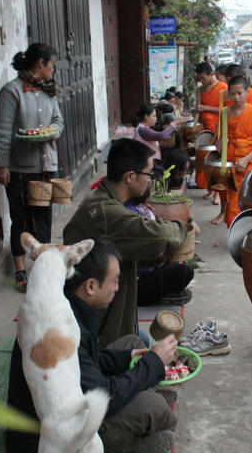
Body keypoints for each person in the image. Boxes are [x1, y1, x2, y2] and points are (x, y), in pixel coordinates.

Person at [5, 238, 180, 453]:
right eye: (114, 281)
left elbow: (88, 360)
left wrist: (132, 359)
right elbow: (101, 396)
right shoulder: (63, 324)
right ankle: (128, 441)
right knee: (158, 409)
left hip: (76, 397)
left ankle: (142, 394)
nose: (117, 288)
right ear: (90, 286)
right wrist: (152, 363)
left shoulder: (65, 306)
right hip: (47, 442)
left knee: (134, 344)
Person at [63, 138, 188, 347]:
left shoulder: (105, 200)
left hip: (109, 313)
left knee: (145, 341)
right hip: (97, 329)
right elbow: (164, 236)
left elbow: (124, 255)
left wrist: (154, 259)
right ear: (130, 177)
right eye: (148, 174)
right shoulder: (107, 212)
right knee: (147, 353)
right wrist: (181, 227)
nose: (150, 181)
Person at [0, 42, 64, 292]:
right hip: (20, 167)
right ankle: (20, 269)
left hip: (45, 166)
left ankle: (42, 268)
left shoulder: (48, 91)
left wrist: (53, 131)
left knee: (43, 217)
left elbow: (58, 121)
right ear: (40, 64)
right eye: (51, 64)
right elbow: (3, 131)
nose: (53, 69)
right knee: (20, 217)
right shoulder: (11, 92)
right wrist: (3, 165)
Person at [214, 74, 252, 227]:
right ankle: (235, 232)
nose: (236, 97)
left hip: (247, 164)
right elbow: (221, 138)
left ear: (247, 92)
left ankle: (239, 233)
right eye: (233, 94)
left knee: (238, 202)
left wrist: (246, 159)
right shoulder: (225, 112)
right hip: (228, 163)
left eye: (240, 93)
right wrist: (217, 161)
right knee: (227, 196)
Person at [193, 62, 228, 203]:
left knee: (216, 160)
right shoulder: (201, 90)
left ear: (211, 74)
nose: (201, 81)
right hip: (204, 130)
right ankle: (210, 189)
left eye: (203, 78)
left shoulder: (223, 88)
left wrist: (205, 108)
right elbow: (199, 109)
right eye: (199, 79)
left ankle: (218, 194)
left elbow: (226, 111)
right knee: (204, 160)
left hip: (218, 128)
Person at [132, 104, 189, 177]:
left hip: (152, 162)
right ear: (146, 117)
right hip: (149, 163)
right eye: (153, 116)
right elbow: (162, 135)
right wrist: (174, 123)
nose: (156, 118)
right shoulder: (142, 129)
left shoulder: (144, 128)